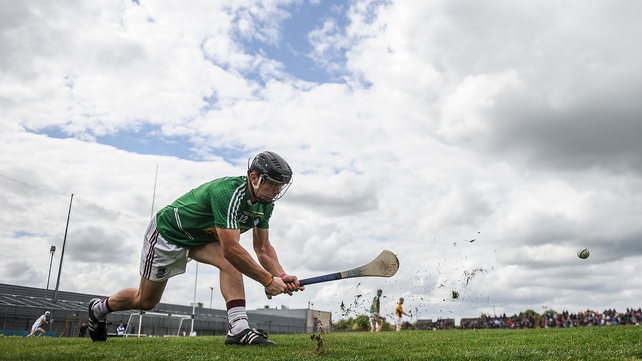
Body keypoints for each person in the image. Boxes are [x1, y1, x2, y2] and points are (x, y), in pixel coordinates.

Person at [87, 151, 303, 345]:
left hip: (200, 239)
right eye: (272, 184)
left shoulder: (265, 204)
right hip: (169, 234)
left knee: (231, 263)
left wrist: (280, 275)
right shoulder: (229, 193)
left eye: (280, 186)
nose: (276, 191)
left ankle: (238, 330)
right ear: (254, 178)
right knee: (146, 300)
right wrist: (267, 280)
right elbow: (231, 249)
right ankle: (98, 309)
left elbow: (263, 247)